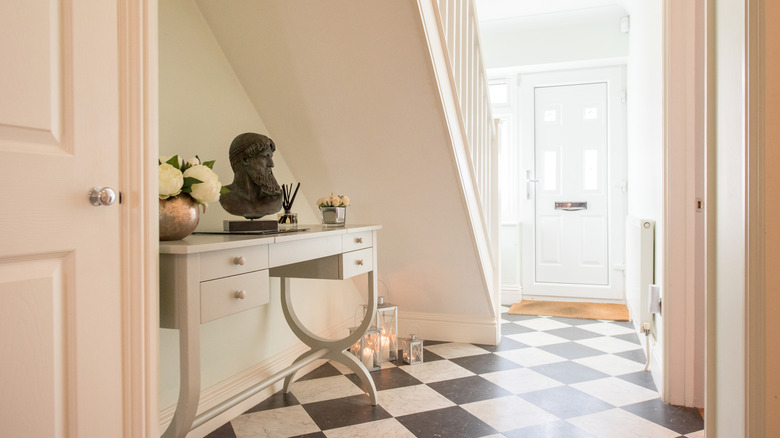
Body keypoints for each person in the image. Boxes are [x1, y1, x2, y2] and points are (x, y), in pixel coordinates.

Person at [219, 132, 283, 219]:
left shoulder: (275, 198)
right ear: (245, 159)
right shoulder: (223, 195)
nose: (271, 164)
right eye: (265, 156)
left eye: (270, 157)